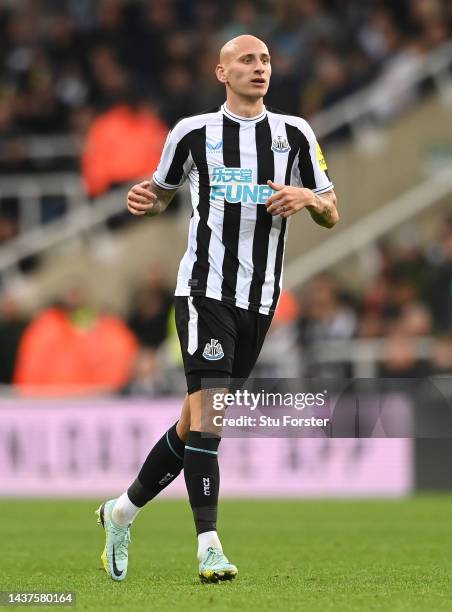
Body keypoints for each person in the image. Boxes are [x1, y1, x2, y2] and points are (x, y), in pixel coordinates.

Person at [95, 34, 338, 584]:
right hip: (204, 290)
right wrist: (146, 200)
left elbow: (332, 210)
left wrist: (309, 200)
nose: (260, 68)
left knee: (192, 423)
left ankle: (121, 512)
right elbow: (161, 192)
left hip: (261, 299)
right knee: (211, 418)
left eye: (266, 60)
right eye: (247, 61)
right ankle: (209, 545)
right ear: (221, 73)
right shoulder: (191, 133)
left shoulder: (295, 134)